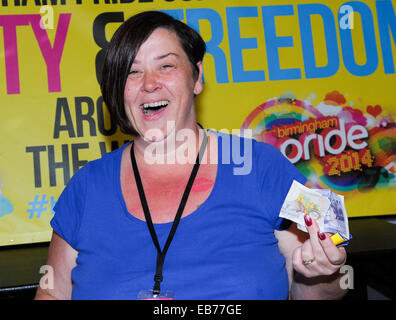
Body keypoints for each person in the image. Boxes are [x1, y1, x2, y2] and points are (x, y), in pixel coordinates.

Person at [35, 11, 347, 300]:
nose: (150, 84)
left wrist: (323, 273)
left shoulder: (261, 168)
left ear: (197, 76)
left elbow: (314, 288)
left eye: (166, 65)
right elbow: (52, 292)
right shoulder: (86, 188)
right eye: (133, 72)